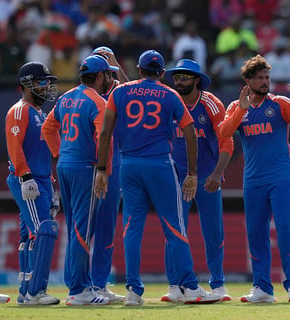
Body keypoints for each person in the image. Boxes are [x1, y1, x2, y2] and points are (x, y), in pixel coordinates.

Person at [93, 50, 221, 306]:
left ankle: (133, 291)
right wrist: (192, 174)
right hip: (160, 165)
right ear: (163, 73)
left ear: (139, 70)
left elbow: (105, 131)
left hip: (128, 165)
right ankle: (190, 287)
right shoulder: (170, 94)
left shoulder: (120, 92)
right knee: (175, 227)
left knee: (131, 228)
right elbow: (190, 133)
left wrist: (102, 169)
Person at [218, 54, 290, 303]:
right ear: (248, 80)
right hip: (253, 181)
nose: (265, 82)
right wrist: (240, 110)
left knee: (284, 228)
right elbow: (223, 133)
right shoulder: (237, 106)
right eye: (260, 78)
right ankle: (262, 288)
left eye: (267, 77)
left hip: (281, 178)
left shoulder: (280, 103)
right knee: (256, 234)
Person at [42, 55, 118, 306]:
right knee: (82, 230)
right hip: (85, 168)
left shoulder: (66, 97)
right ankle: (78, 290)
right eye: (108, 74)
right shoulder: (97, 102)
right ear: (100, 76)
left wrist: (59, 152)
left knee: (76, 227)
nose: (110, 79)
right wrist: (103, 169)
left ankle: (76, 284)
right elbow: (103, 136)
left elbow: (47, 128)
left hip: (66, 165)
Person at [161, 59, 234, 302]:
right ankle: (174, 285)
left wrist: (216, 173)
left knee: (213, 232)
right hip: (177, 177)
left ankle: (218, 283)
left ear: (196, 80)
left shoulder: (211, 103)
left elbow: (226, 140)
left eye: (184, 77)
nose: (178, 81)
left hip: (206, 178)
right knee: (174, 231)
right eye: (176, 77)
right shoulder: (169, 100)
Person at [5, 61, 61, 305]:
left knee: (30, 234)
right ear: (26, 84)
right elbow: (14, 146)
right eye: (41, 81)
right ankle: (36, 292)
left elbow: (44, 153)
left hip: (41, 179)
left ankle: (25, 290)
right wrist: (25, 176)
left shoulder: (40, 113)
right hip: (26, 179)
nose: (46, 86)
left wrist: (52, 184)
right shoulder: (20, 110)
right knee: (43, 230)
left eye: (47, 82)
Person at [89, 46, 129, 303]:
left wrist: (116, 64)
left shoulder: (116, 90)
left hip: (113, 165)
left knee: (105, 227)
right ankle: (81, 286)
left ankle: (98, 284)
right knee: (85, 228)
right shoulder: (85, 95)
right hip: (91, 164)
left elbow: (137, 92)